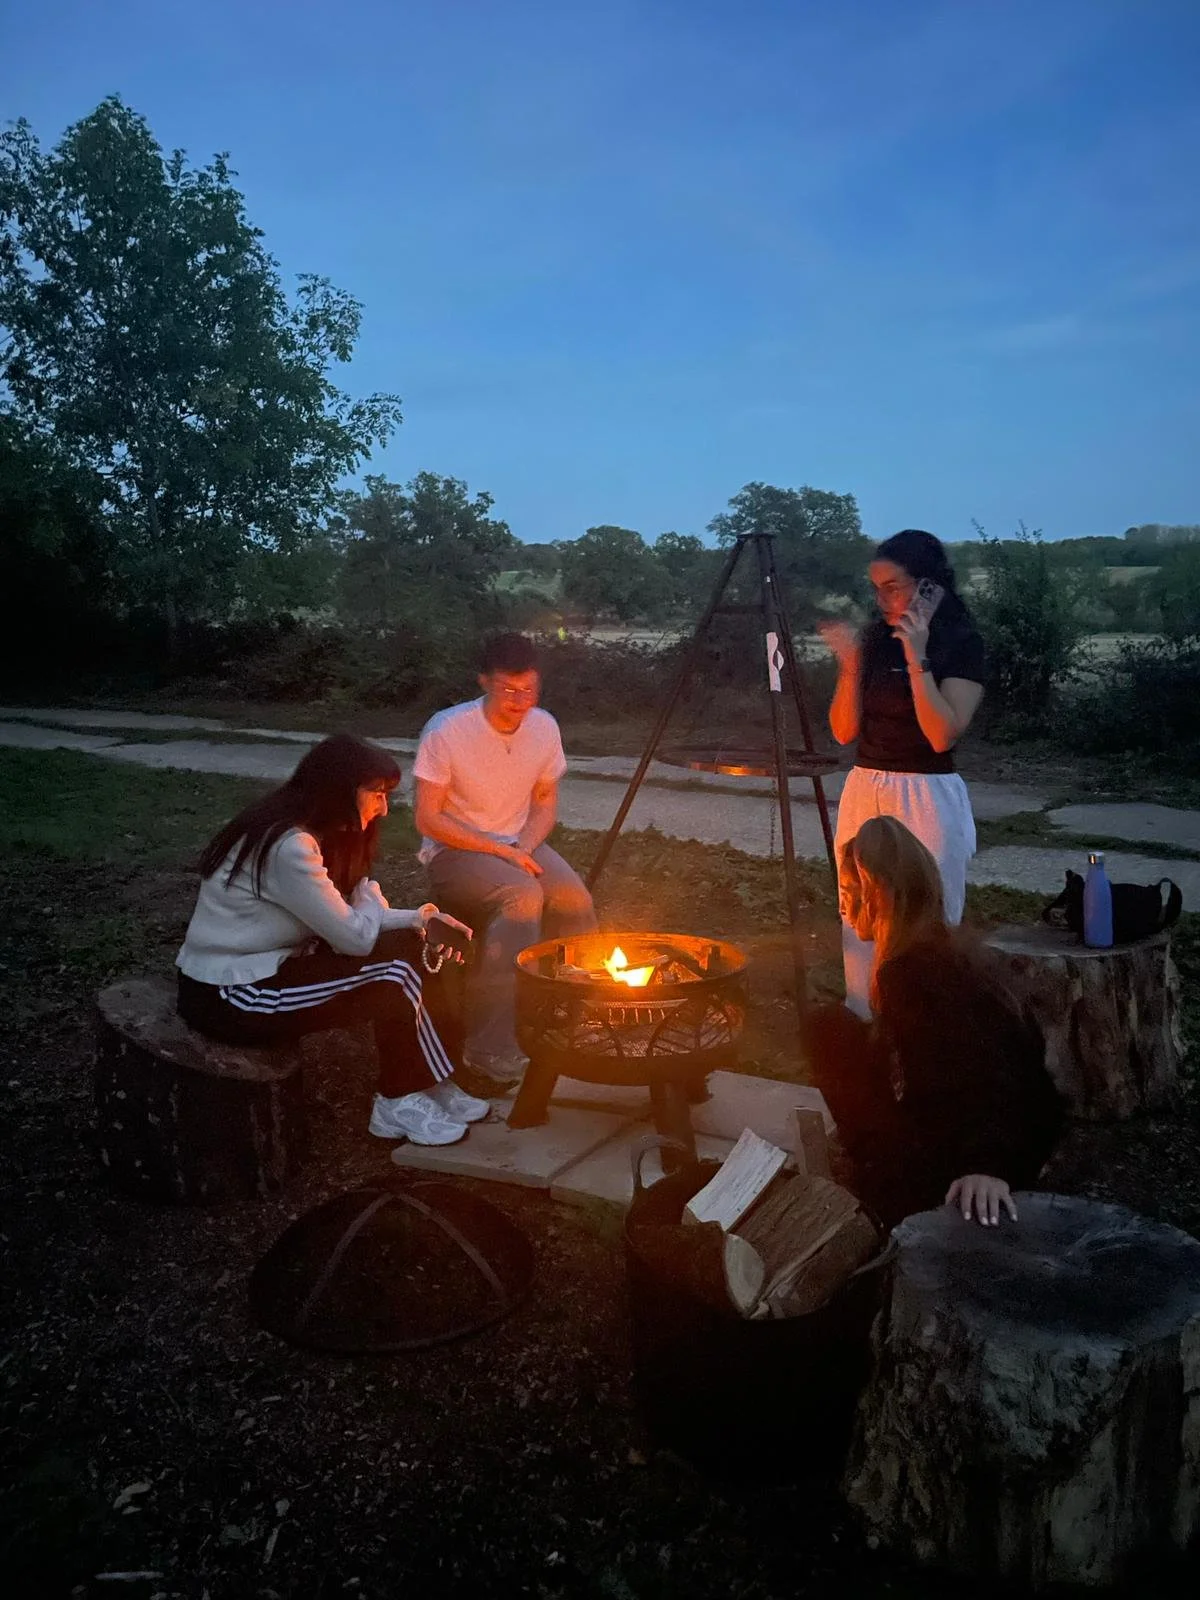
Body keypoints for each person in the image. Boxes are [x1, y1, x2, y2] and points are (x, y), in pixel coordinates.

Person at [176, 734, 488, 1147]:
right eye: (377, 793)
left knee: (417, 948)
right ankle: (396, 1100)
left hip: (274, 967)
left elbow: (347, 920)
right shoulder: (288, 846)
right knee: (394, 974)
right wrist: (371, 894)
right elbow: (356, 938)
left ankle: (429, 1080)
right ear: (339, 788)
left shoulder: (316, 833)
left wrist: (421, 918)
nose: (384, 806)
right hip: (232, 993)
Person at [808, 816, 1063, 1231]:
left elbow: (990, 1069)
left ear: (877, 895)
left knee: (827, 1031)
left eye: (849, 892)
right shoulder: (937, 945)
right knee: (836, 1027)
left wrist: (987, 1164)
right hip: (988, 1133)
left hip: (960, 1161)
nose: (843, 905)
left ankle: (880, 1186)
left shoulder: (915, 975)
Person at [413, 632, 598, 1088]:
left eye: (530, 690)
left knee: (574, 899)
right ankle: (490, 1051)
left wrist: (523, 848)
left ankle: (579, 1017)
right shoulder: (447, 729)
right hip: (456, 850)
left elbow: (544, 801)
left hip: (519, 844)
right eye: (509, 690)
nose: (520, 702)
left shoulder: (544, 727)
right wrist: (500, 851)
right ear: (484, 682)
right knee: (522, 897)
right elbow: (428, 818)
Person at [819, 528, 986, 1019]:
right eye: (876, 589)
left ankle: (927, 1025)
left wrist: (917, 657)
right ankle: (866, 1020)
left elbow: (941, 735)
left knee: (927, 914)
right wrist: (850, 666)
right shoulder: (875, 640)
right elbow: (843, 732)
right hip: (866, 784)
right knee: (861, 910)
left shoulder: (960, 642)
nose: (884, 599)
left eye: (894, 586)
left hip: (928, 792)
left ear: (929, 584)